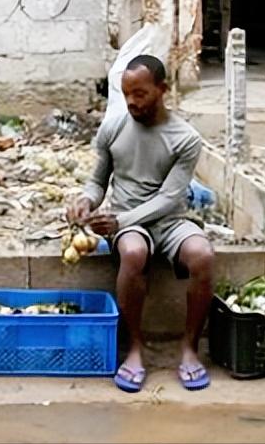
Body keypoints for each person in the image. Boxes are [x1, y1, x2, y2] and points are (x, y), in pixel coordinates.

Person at [66, 54, 214, 393]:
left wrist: (119, 220)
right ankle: (134, 349)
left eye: (140, 94)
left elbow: (168, 198)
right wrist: (85, 201)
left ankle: (190, 349)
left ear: (162, 89)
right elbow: (97, 181)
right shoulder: (114, 126)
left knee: (202, 254)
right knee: (133, 252)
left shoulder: (185, 138)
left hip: (168, 219)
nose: (132, 102)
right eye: (126, 93)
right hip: (130, 224)